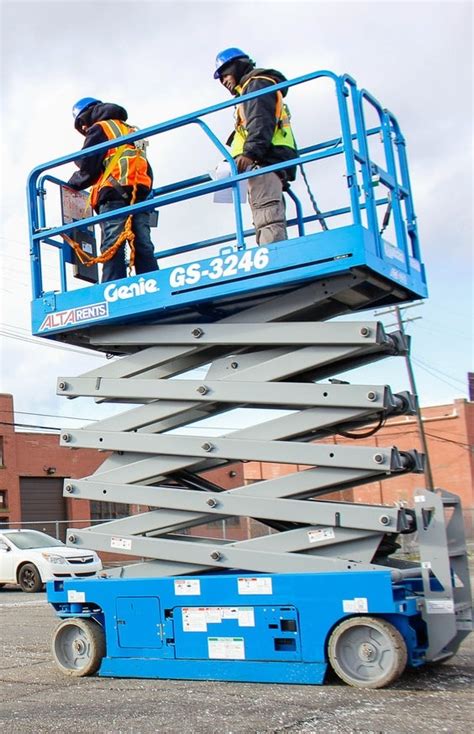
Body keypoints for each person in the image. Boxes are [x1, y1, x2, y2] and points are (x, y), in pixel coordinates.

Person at [67, 97, 158, 282]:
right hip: (139, 194)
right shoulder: (131, 130)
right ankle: (152, 283)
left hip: (113, 194)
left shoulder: (100, 128)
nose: (84, 129)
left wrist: (72, 184)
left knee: (112, 243)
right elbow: (145, 166)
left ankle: (113, 287)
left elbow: (88, 165)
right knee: (143, 243)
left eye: (82, 123)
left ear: (90, 113)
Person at [213, 48, 298, 245]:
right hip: (264, 161)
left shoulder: (256, 84)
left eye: (225, 75)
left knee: (267, 214)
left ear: (237, 66)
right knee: (263, 213)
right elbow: (247, 131)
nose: (224, 81)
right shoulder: (250, 90)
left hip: (265, 162)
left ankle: (274, 261)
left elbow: (260, 122)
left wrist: (250, 154)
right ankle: (271, 253)